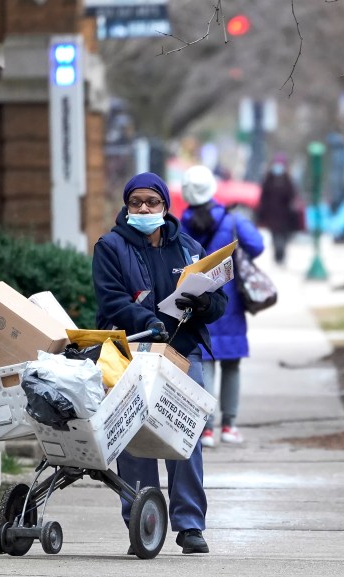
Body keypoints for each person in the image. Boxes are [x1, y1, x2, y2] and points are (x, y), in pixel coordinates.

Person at [91, 172, 228, 554]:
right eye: (136, 202)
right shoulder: (110, 246)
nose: (144, 209)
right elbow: (111, 300)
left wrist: (204, 303)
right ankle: (142, 522)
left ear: (165, 205)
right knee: (136, 439)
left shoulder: (188, 248)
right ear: (127, 206)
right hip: (132, 352)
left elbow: (218, 302)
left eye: (152, 202)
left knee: (185, 436)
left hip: (183, 353)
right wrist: (145, 321)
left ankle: (189, 526)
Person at [179, 165, 265, 447]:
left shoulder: (181, 224)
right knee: (232, 365)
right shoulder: (232, 220)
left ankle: (206, 429)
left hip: (198, 302)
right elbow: (257, 245)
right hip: (230, 304)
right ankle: (229, 426)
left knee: (205, 363)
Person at [257, 153, 298, 265]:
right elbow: (263, 197)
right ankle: (277, 255)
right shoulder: (268, 179)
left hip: (285, 216)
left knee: (283, 236)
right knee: (275, 236)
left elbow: (292, 196)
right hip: (272, 214)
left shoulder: (288, 180)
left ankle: (281, 254)